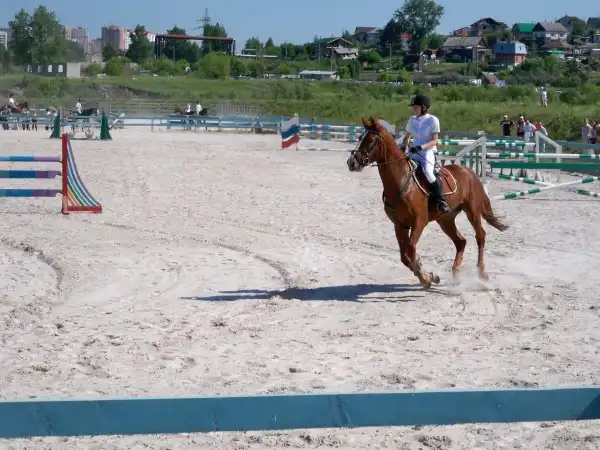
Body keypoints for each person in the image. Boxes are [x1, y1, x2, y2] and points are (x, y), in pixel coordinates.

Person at [400, 93, 449, 214]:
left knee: (428, 172)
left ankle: (441, 201)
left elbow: (435, 140)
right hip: (414, 151)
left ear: (424, 107)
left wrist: (421, 147)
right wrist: (405, 147)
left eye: (415, 107)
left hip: (427, 151)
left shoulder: (433, 120)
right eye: (413, 107)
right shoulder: (412, 120)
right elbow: (407, 137)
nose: (413, 109)